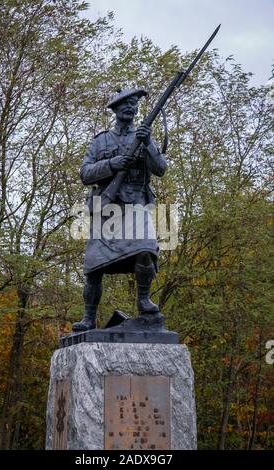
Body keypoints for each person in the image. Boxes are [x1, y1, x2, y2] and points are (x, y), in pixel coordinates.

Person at [73, 88, 167, 331]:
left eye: (133, 103)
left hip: (136, 202)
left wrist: (148, 144)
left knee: (146, 249)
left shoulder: (145, 136)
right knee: (94, 266)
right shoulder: (100, 141)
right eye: (124, 103)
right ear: (115, 109)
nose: (130, 107)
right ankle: (88, 317)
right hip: (106, 207)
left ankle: (144, 300)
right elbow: (85, 173)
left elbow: (160, 169)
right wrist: (112, 164)